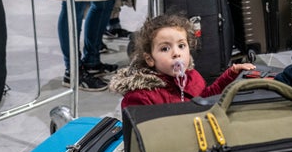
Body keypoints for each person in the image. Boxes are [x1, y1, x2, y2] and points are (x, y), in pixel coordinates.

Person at [109, 14, 256, 108]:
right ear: (150, 59)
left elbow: (204, 99)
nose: (176, 54)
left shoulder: (193, 76)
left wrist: (230, 75)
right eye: (165, 49)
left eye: (181, 46)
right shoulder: (141, 96)